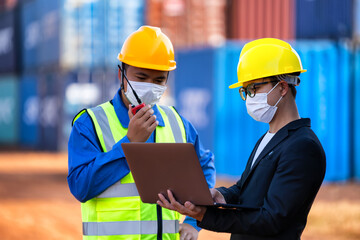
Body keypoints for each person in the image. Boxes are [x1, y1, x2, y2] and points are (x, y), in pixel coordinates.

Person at [157, 38, 326, 240]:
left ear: (282, 87)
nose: (250, 97)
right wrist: (220, 196)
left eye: (254, 88)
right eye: (246, 91)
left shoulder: (303, 147)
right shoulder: (270, 138)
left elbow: (272, 219)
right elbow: (245, 190)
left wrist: (206, 215)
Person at [67, 26, 216, 240]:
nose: (149, 86)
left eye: (158, 80)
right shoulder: (90, 124)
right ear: (122, 75)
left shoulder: (177, 123)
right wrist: (130, 145)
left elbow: (205, 167)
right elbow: (81, 187)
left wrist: (194, 222)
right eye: (142, 76)